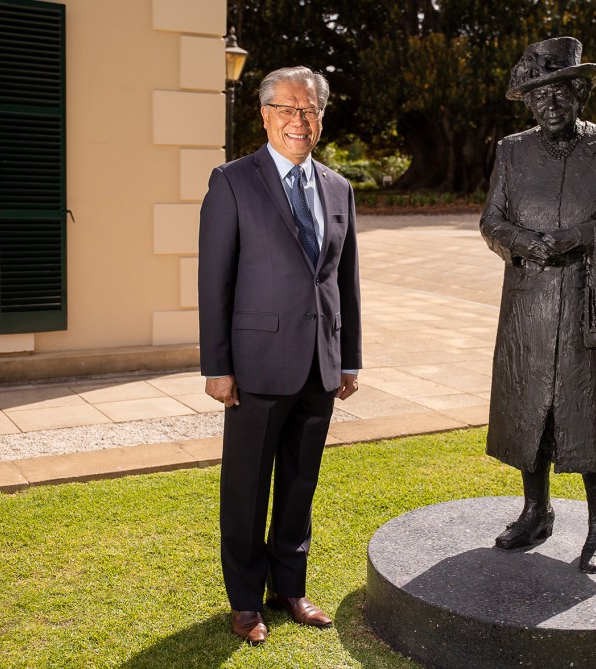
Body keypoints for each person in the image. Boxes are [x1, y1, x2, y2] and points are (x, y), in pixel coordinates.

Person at [198, 65, 362, 645]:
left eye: (310, 109)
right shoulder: (232, 182)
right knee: (247, 488)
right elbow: (214, 280)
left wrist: (349, 358)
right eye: (288, 108)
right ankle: (246, 600)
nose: (300, 120)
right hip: (257, 365)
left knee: (299, 483)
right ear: (265, 115)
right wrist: (217, 365)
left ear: (321, 118)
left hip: (320, 364)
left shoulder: (338, 188)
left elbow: (345, 281)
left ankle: (290, 588)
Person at [480, 37, 596, 574]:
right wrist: (525, 243)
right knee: (529, 407)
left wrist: (574, 237)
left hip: (589, 298)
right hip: (528, 301)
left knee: (592, 411)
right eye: (539, 95)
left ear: (580, 93)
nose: (550, 103)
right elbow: (491, 220)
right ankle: (536, 511)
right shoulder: (511, 150)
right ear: (528, 102)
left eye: (560, 92)